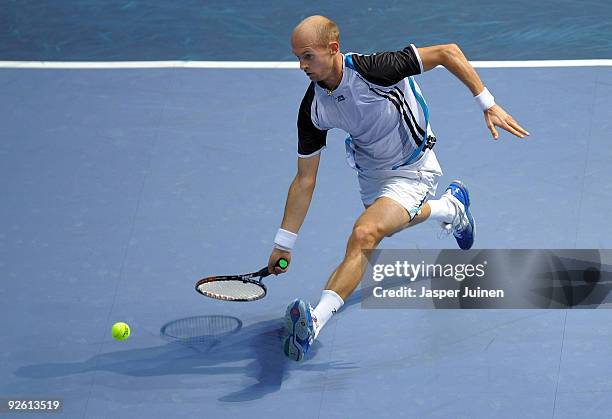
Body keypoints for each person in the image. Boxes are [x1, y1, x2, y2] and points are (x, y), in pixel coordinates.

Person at [267, 15, 529, 361]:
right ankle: (450, 209)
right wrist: (284, 243)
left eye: (307, 56)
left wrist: (488, 103)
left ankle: (315, 321)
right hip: (371, 173)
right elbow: (305, 178)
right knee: (389, 222)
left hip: (413, 167)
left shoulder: (374, 70)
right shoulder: (313, 107)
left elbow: (447, 52)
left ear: (333, 49)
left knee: (365, 234)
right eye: (297, 58)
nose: (301, 66)